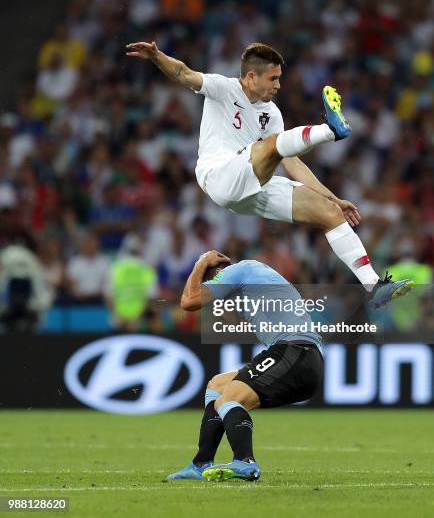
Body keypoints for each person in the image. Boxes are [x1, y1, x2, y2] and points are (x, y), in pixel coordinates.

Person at [126, 40, 412, 307]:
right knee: (272, 145)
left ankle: (373, 286)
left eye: (279, 78)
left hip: (253, 184)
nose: (278, 85)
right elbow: (182, 73)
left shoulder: (272, 113)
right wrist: (157, 56)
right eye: (272, 78)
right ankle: (329, 130)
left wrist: (334, 197)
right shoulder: (223, 88)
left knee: (328, 213)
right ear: (251, 77)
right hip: (218, 176)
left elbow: (293, 162)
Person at [165, 250, 323, 482]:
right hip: (298, 356)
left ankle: (245, 461)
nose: (210, 287)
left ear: (218, 272)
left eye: (211, 281)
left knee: (230, 399)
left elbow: (189, 301)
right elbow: (236, 319)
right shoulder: (254, 279)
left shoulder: (240, 270)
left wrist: (200, 264)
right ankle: (201, 463)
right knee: (218, 385)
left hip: (293, 352)